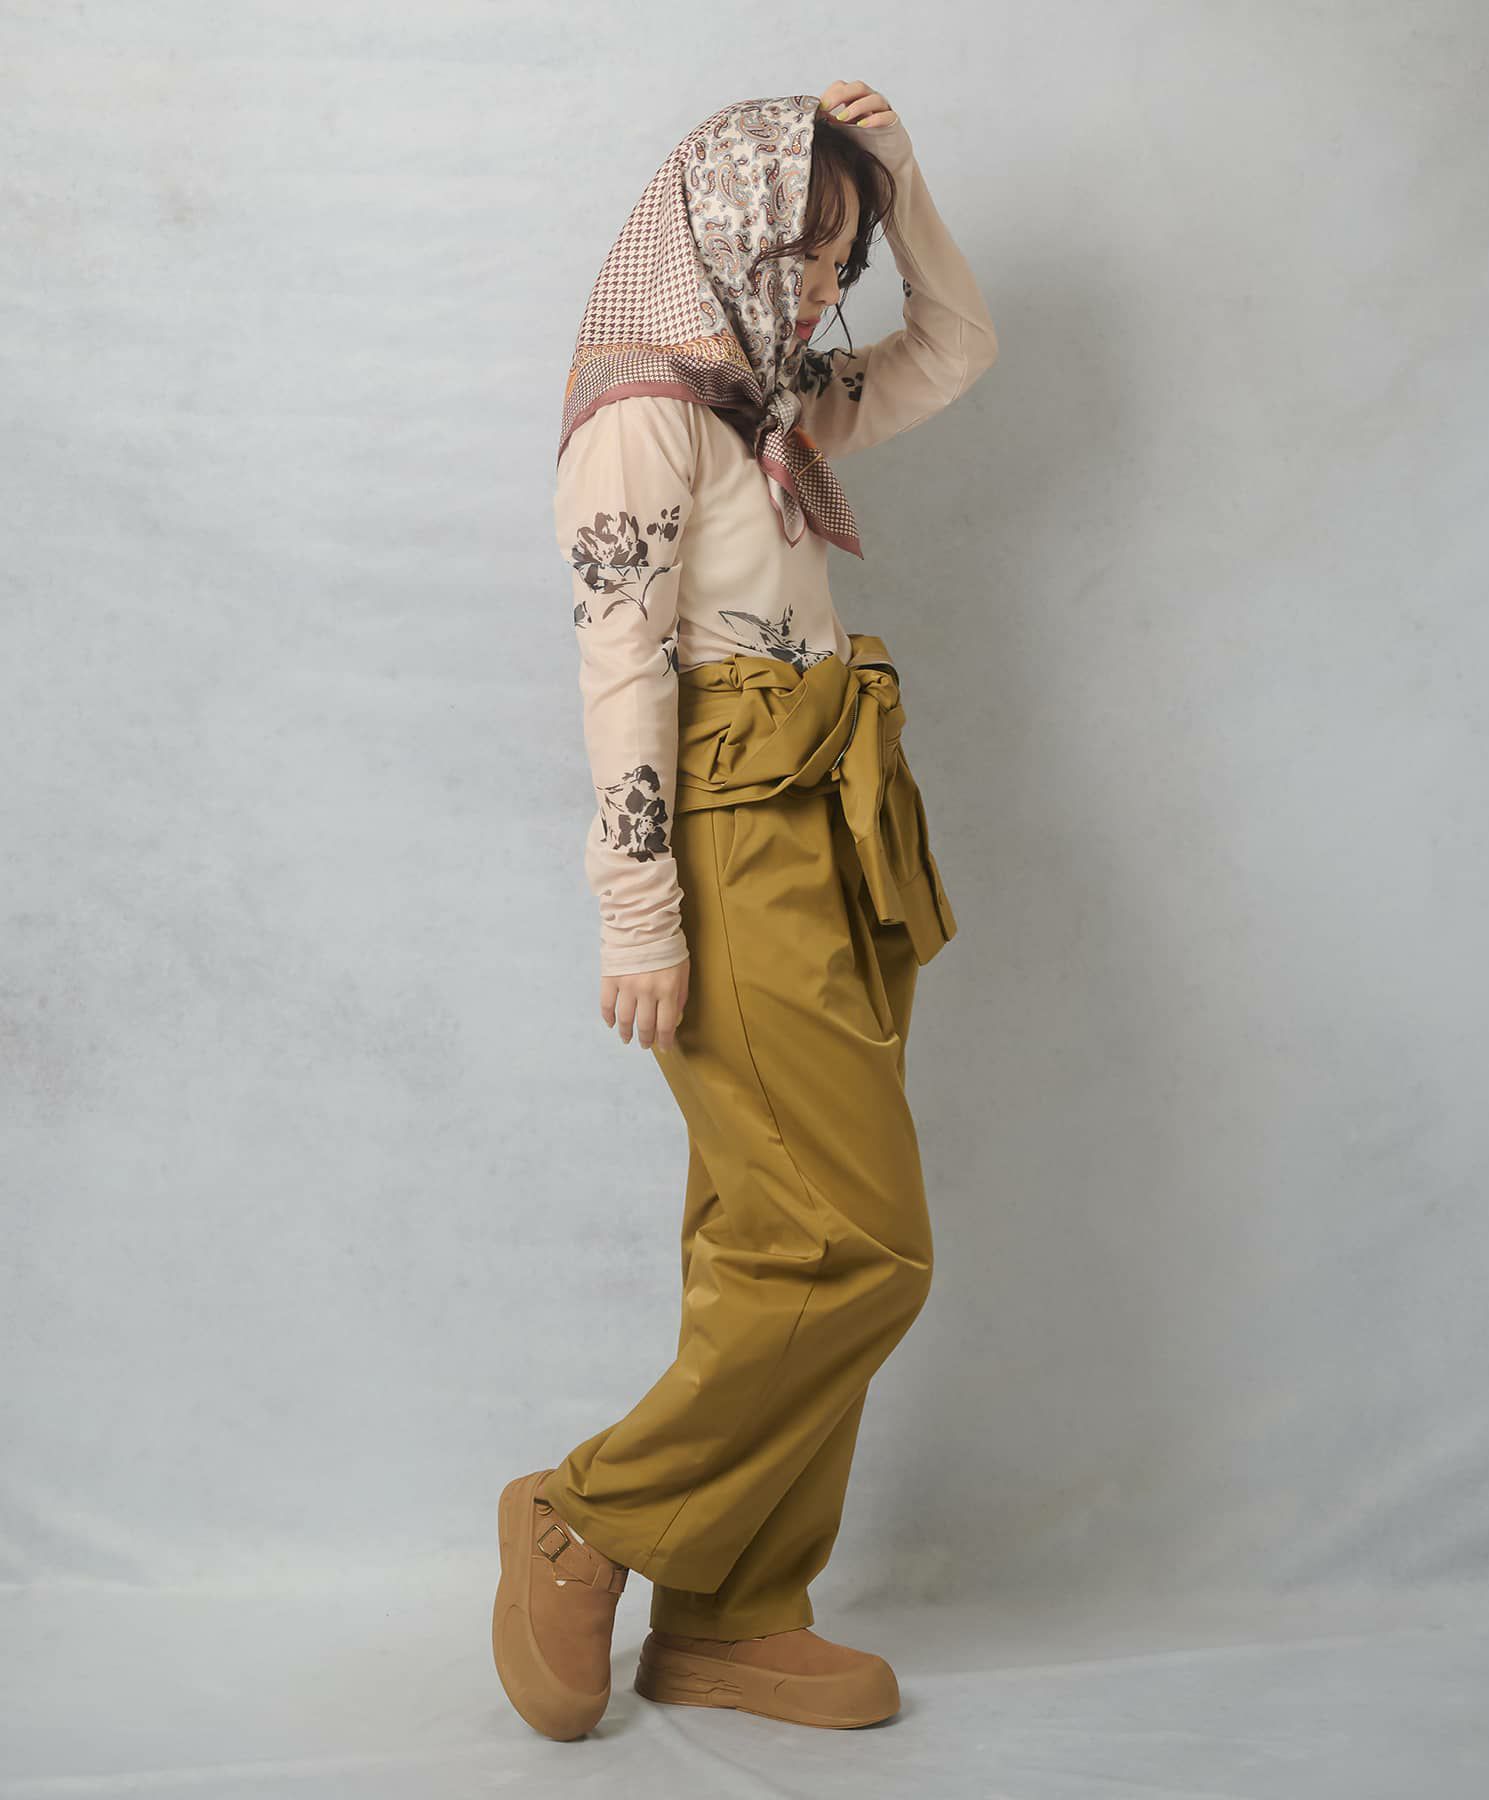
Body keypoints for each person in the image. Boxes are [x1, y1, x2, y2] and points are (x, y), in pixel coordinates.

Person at [493, 80, 998, 1740]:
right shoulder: (642, 418)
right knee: (855, 1244)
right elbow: (621, 667)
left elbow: (957, 346)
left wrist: (898, 178)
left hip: (832, 814)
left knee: (766, 1239)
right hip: (725, 831)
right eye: (803, 252)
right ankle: (588, 1512)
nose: (821, 293)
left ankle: (733, 1613)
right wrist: (639, 912)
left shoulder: (762, 404)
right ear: (719, 230)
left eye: (838, 262)